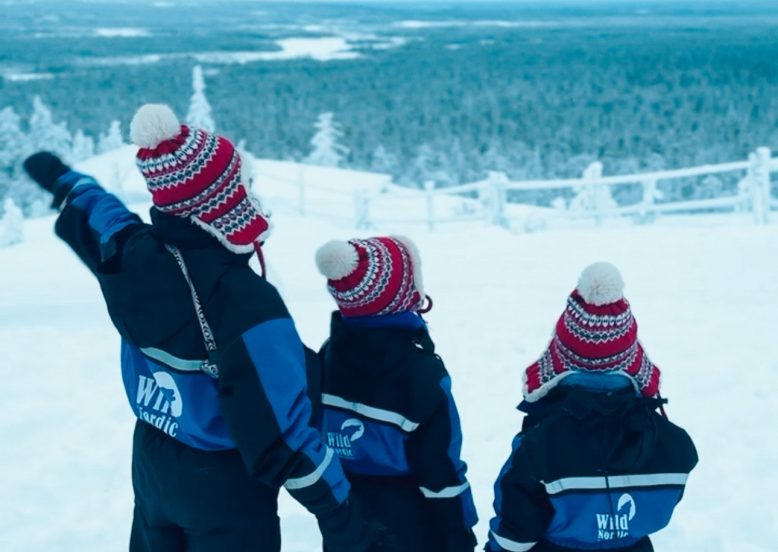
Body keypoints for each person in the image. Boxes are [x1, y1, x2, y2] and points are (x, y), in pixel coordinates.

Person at [23, 104, 382, 552]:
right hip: (224, 483)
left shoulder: (128, 252)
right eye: (242, 186)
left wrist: (61, 178)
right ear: (225, 202)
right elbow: (283, 433)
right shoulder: (248, 304)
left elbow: (99, 209)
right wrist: (341, 511)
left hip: (154, 461)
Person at [485, 262, 698, 552]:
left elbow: (512, 537)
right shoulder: (674, 446)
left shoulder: (538, 448)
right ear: (632, 358)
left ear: (558, 359)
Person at [314, 236, 479, 551]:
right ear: (402, 295)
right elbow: (441, 474)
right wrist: (460, 536)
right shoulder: (422, 376)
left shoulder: (326, 357)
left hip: (345, 519)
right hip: (412, 527)